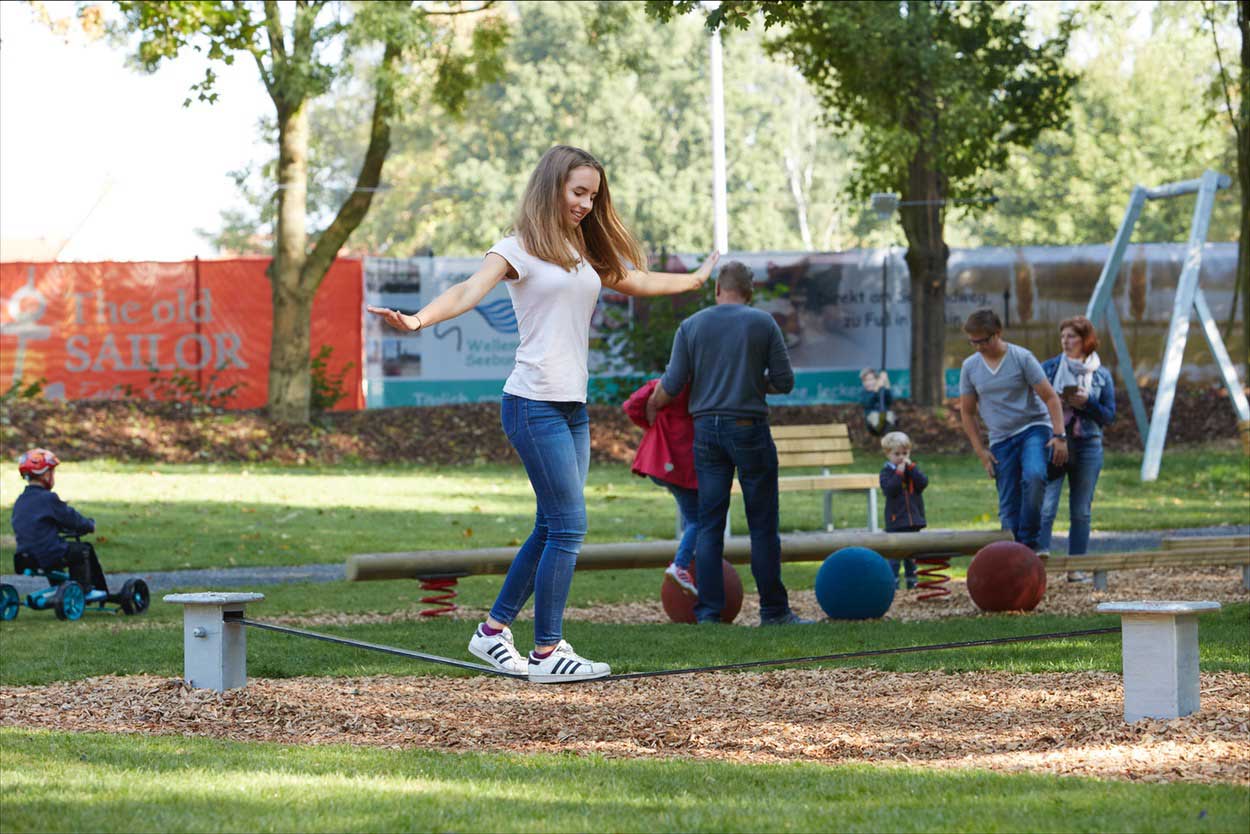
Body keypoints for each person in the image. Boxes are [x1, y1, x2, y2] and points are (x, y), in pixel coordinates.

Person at [368, 145, 718, 682]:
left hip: (571, 406)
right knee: (570, 526)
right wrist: (418, 321)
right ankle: (547, 652)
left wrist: (694, 281)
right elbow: (468, 290)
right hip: (532, 404)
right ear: (552, 186)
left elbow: (636, 279)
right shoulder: (515, 249)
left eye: (593, 196)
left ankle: (491, 633)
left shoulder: (581, 250)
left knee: (552, 524)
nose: (585, 204)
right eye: (578, 192)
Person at [646, 261, 812, 626]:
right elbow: (784, 381)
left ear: (718, 288)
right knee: (763, 524)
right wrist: (753, 383)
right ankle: (773, 610)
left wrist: (650, 405)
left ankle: (708, 613)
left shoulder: (691, 325)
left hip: (706, 432)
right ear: (750, 292)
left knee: (709, 524)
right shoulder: (763, 323)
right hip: (748, 427)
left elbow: (671, 384)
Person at [957, 309, 1068, 551]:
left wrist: (1059, 436)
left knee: (1035, 475)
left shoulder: (1021, 357)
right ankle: (1012, 554)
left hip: (1033, 427)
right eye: (972, 342)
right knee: (1008, 502)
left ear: (997, 334)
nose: (977, 347)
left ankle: (1030, 543)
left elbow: (1050, 397)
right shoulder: (970, 367)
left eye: (982, 341)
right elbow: (967, 412)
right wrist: (981, 452)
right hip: (1000, 438)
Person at [1037, 316, 1116, 580]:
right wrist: (1055, 402)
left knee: (1081, 510)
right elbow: (1033, 405)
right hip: (1056, 441)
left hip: (1088, 446)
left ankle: (1076, 567)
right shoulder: (1048, 369)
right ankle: (1038, 566)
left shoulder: (1101, 374)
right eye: (1063, 337)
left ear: (1086, 341)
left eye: (1072, 336)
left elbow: (1109, 416)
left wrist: (1088, 402)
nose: (1065, 341)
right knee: (1046, 506)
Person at [622, 378, 698, 595]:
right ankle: (681, 565)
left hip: (659, 460)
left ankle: (689, 557)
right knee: (699, 518)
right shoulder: (698, 385)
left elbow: (632, 405)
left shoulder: (662, 384)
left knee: (690, 513)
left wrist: (651, 424)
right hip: (681, 462)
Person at [11, 448, 109, 598]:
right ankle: (84, 590)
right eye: (52, 472)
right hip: (47, 553)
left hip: (24, 555)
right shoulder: (48, 499)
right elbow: (71, 518)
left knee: (57, 548)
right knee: (83, 550)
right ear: (45, 474)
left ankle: (59, 588)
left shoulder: (20, 500)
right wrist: (89, 525)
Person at [878, 431, 926, 588]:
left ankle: (912, 583)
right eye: (897, 454)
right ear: (888, 454)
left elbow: (923, 483)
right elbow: (890, 490)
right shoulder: (887, 472)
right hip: (896, 522)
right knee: (894, 556)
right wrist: (899, 473)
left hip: (912, 521)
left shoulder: (912, 470)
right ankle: (893, 585)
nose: (901, 457)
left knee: (911, 556)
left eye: (905, 453)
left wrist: (911, 469)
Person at [860, 368, 897, 436]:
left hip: (885, 418)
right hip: (873, 423)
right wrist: (875, 390)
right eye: (865, 380)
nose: (868, 382)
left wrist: (886, 383)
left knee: (890, 415)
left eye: (871, 379)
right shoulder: (864, 393)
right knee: (875, 416)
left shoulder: (881, 391)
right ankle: (882, 429)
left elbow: (889, 401)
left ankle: (888, 431)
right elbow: (867, 403)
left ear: (877, 380)